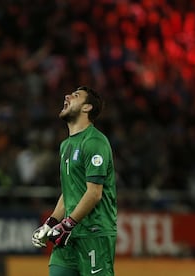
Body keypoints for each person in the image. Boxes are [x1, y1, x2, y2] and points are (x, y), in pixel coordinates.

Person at [31, 86, 117, 276]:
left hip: (93, 233)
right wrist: (51, 223)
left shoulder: (95, 142)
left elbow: (94, 193)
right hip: (69, 235)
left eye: (76, 95)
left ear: (87, 108)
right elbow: (70, 191)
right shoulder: (66, 145)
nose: (67, 96)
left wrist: (67, 224)